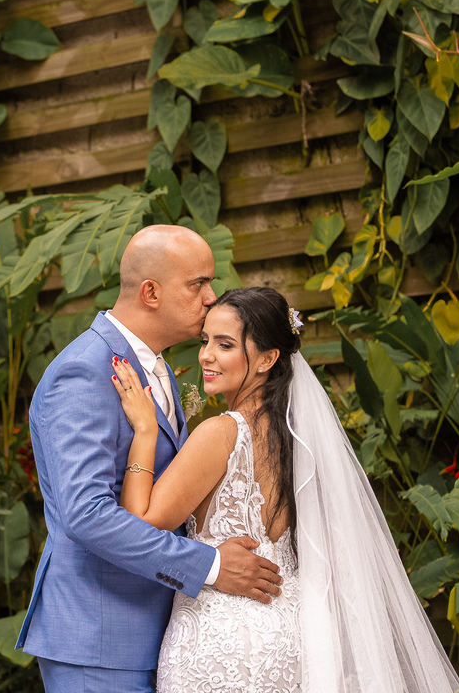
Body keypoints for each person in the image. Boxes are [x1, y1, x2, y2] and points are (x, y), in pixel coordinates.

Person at [113, 286, 459, 692]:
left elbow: (141, 523)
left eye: (224, 344)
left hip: (221, 642)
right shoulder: (301, 442)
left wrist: (144, 431)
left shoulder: (221, 433)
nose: (206, 355)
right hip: (295, 636)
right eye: (205, 340)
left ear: (268, 358)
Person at [15, 225, 283, 693]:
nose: (211, 297)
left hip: (164, 636)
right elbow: (87, 515)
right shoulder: (84, 372)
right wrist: (211, 566)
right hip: (100, 643)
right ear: (151, 292)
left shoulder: (156, 367)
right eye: (198, 284)